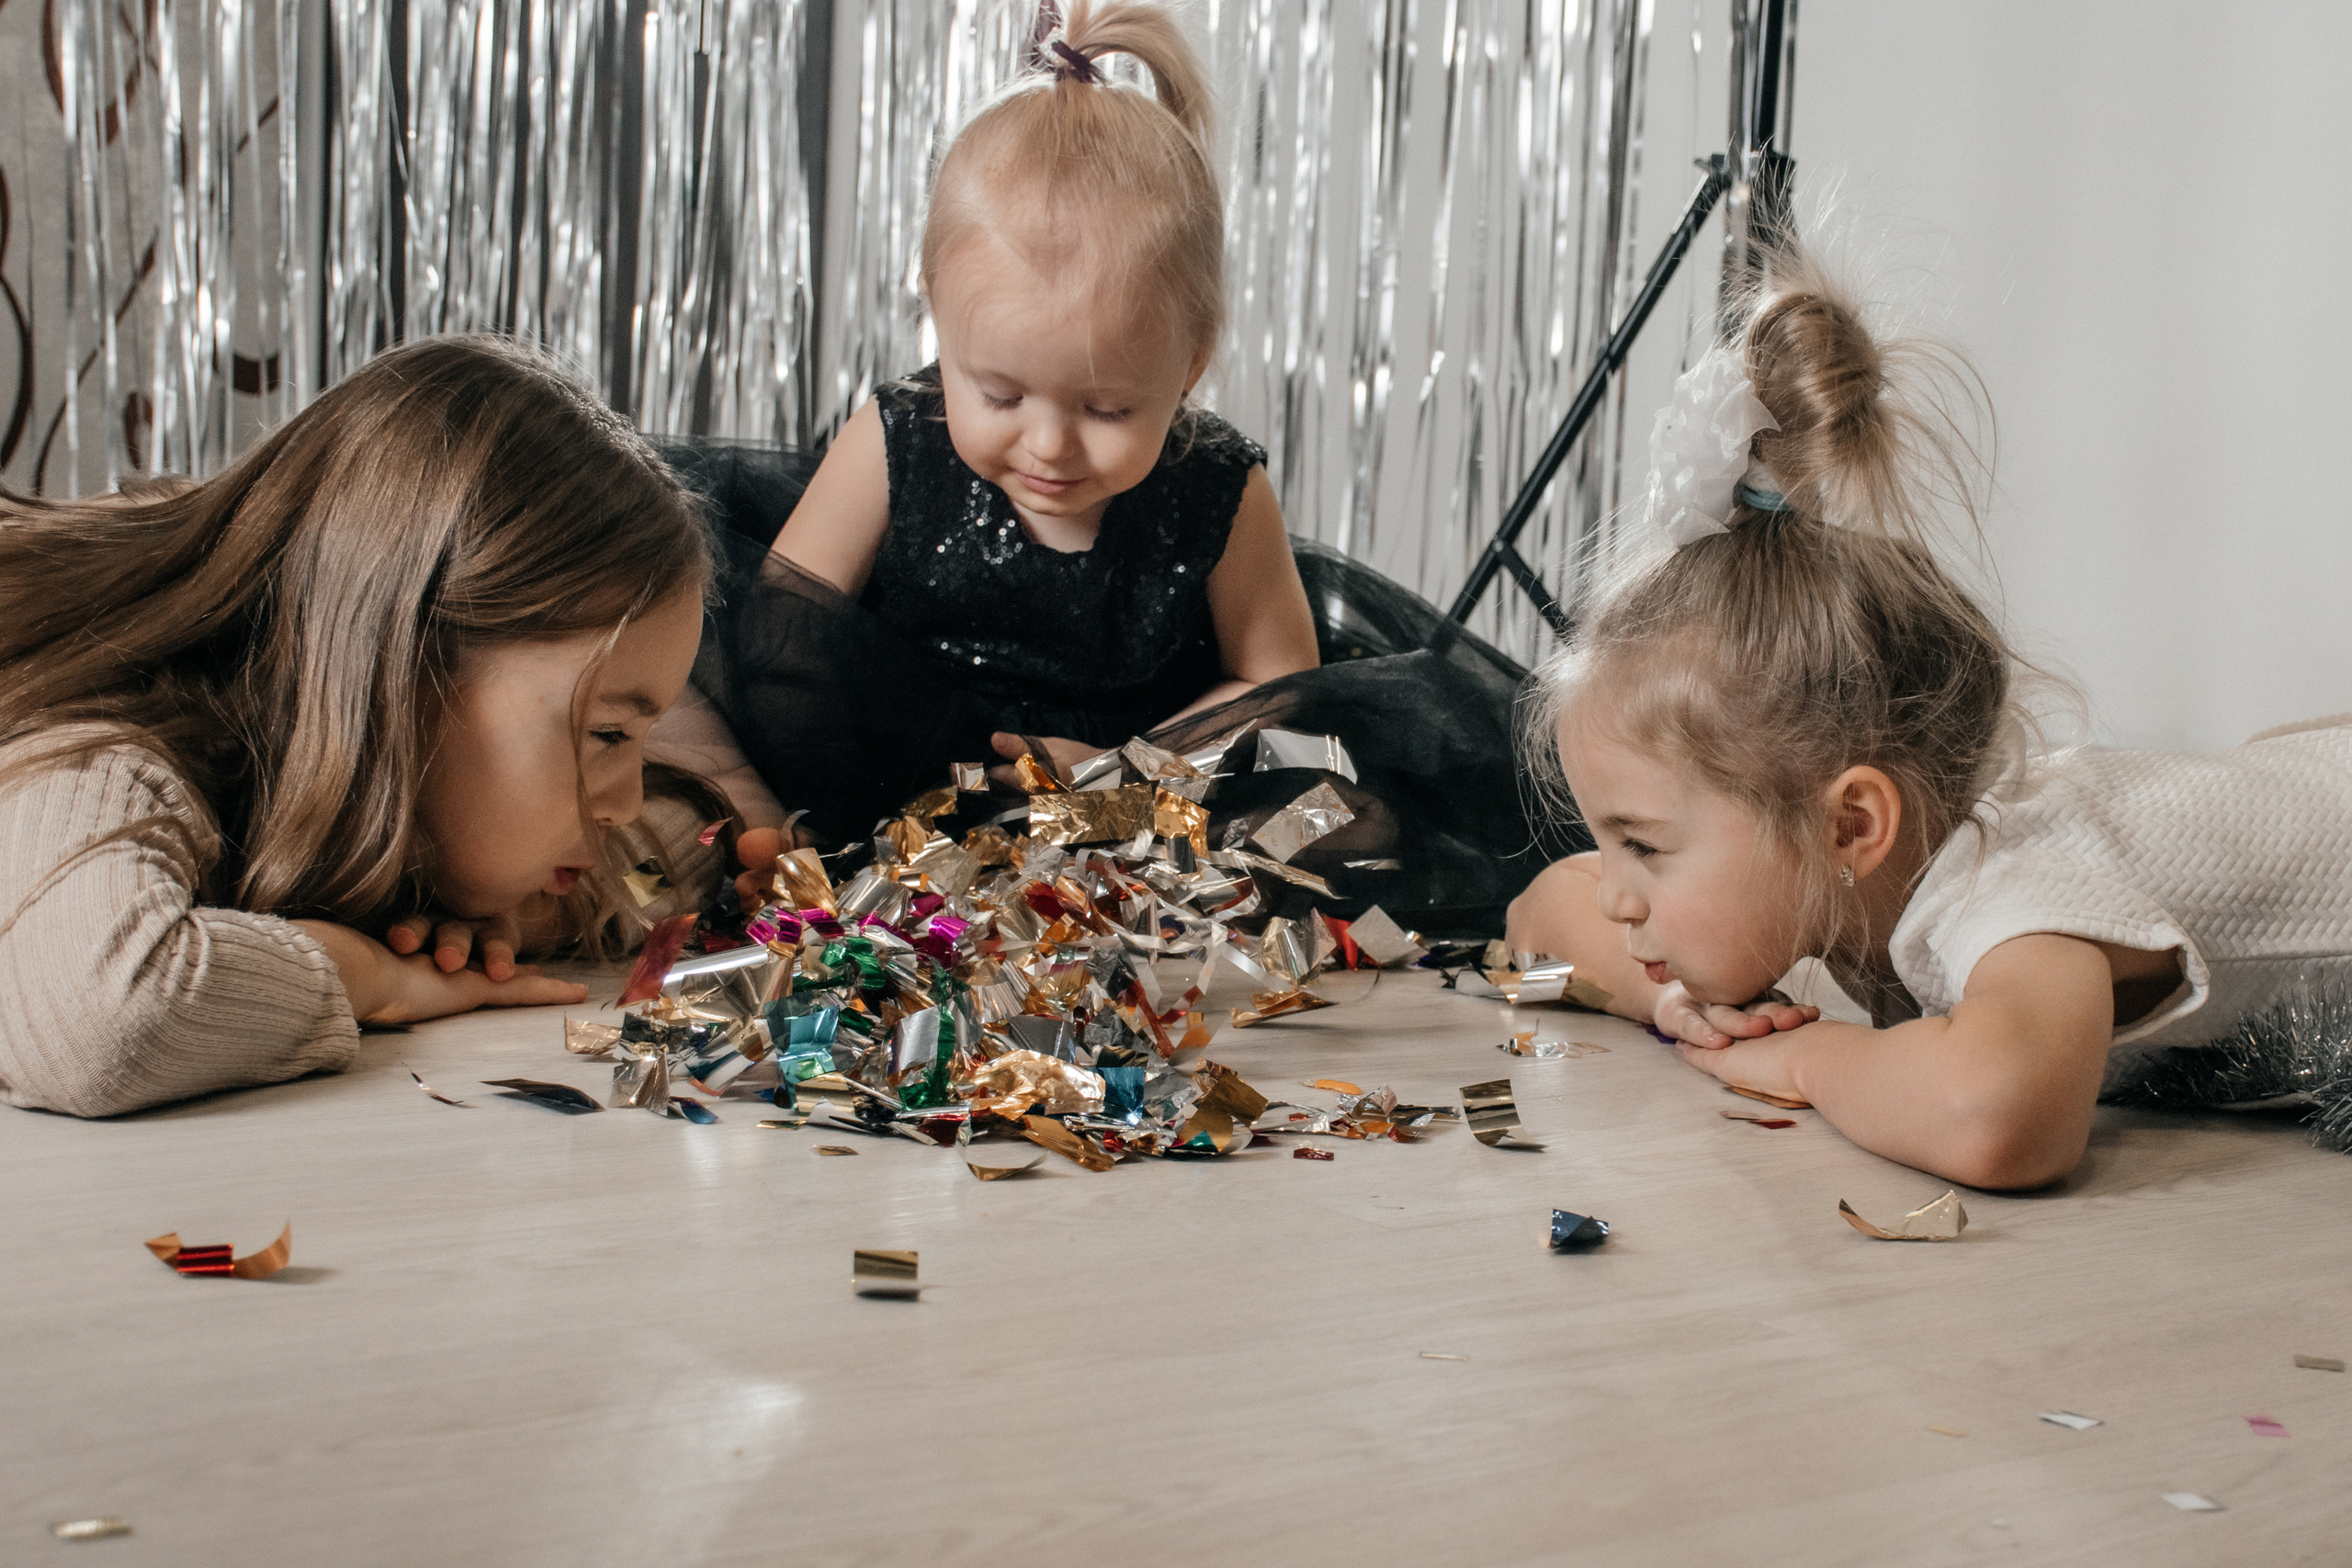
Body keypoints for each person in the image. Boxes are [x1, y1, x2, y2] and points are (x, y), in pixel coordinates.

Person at [696, 0, 1569, 931]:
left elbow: (1283, 688)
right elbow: (786, 635)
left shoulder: (1217, 484)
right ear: (937, 321)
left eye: (1106, 409)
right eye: (997, 395)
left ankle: (1106, 893)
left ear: (1188, 366)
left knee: (1343, 823)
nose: (1047, 444)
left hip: (1133, 801)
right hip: (911, 785)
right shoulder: (896, 435)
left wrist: (1130, 773)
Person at [1504, 243, 2352, 1190]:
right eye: (1613, 845)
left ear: (1850, 824)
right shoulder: (1864, 879)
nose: (1618, 895)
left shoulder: (2015, 890)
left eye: (1646, 849)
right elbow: (1539, 913)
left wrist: (1800, 1058)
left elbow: (1996, 1120)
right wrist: (1670, 1006)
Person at [0, 337, 729, 1118]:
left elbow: (676, 845)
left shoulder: (398, 788)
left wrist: (518, 911)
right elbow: (107, 1019)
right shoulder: (114, 732)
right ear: (402, 663)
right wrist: (367, 973)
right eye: (608, 736)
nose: (621, 802)